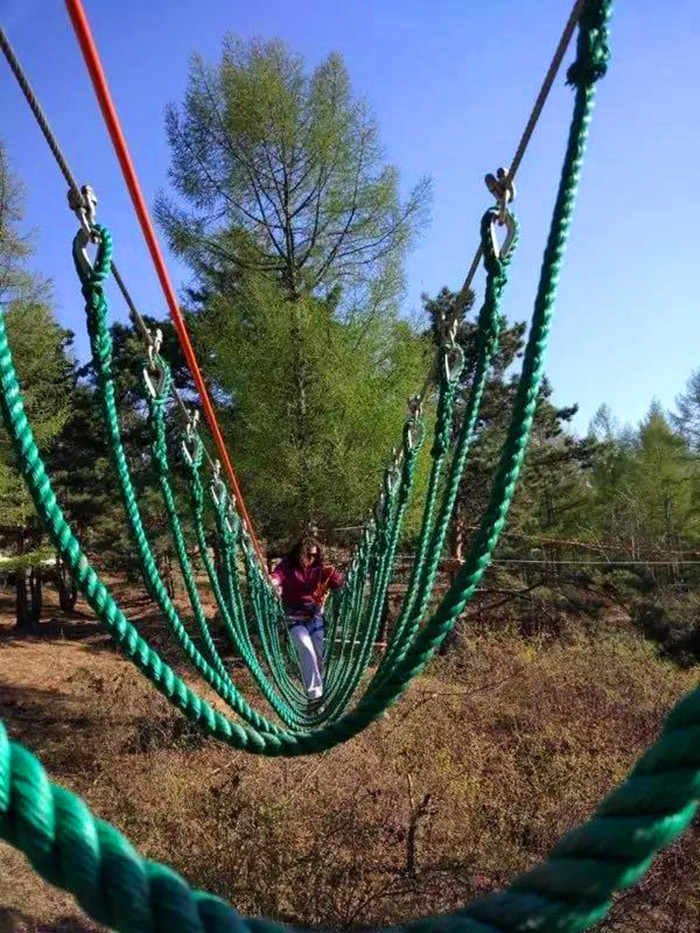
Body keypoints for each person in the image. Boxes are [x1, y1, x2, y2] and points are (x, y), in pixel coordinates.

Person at [270, 535, 343, 706]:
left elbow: (338, 582)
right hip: (294, 617)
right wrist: (272, 581)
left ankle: (319, 689)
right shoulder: (288, 564)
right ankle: (315, 697)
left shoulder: (319, 567)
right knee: (306, 649)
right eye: (308, 555)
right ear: (300, 554)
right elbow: (278, 575)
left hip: (315, 616)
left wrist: (336, 579)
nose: (312, 559)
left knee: (318, 656)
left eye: (315, 556)